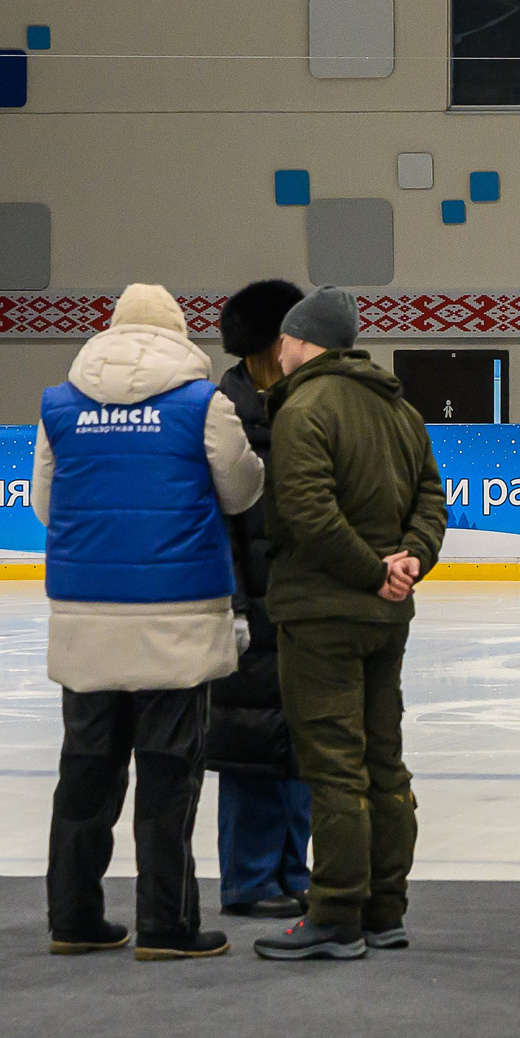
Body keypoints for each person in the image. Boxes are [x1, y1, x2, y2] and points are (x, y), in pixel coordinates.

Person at [36, 283, 263, 961]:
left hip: (87, 613)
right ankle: (167, 925)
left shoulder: (58, 406)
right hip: (177, 612)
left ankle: (73, 917)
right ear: (177, 334)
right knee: (169, 774)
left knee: (85, 772)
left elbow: (47, 505)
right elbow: (242, 488)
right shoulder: (203, 404)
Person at [252, 287, 448, 963]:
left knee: (335, 764)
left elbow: (306, 511)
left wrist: (371, 570)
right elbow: (432, 495)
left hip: (324, 613)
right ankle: (383, 906)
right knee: (383, 761)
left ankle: (335, 910)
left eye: (284, 339)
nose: (278, 350)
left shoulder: (303, 405)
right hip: (385, 615)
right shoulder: (399, 406)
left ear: (304, 341)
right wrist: (409, 561)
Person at [207, 278, 313, 921]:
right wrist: (236, 606)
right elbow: (218, 525)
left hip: (302, 607)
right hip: (250, 608)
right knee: (249, 746)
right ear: (274, 344)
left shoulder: (307, 406)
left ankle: (292, 871)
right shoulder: (224, 415)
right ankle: (249, 879)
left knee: (300, 746)